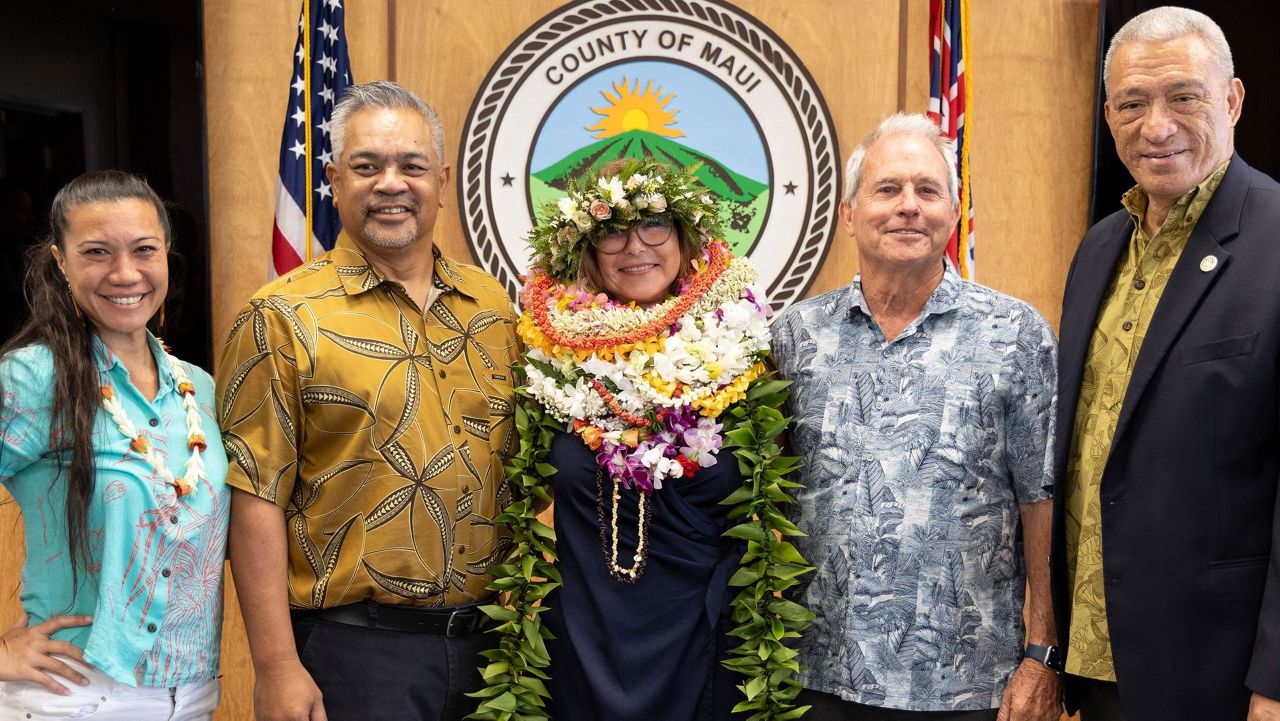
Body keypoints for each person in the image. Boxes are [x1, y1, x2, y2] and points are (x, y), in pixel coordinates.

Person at [217, 80, 522, 721]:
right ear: (332, 179)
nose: (391, 183)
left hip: (494, 654)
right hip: (353, 655)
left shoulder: (493, 307)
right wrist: (274, 667)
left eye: (411, 165)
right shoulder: (282, 316)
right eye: (367, 166)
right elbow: (253, 499)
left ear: (440, 180)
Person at [485, 157, 802, 721]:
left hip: (706, 644)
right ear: (586, 252)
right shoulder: (544, 357)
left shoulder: (748, 355)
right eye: (611, 233)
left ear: (684, 239)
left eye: (654, 226)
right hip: (582, 639)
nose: (636, 248)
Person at [771, 113, 1061, 721]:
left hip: (972, 684)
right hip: (816, 677)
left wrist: (1043, 654)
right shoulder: (794, 338)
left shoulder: (1015, 334)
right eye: (887, 190)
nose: (909, 206)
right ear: (849, 213)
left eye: (928, 191)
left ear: (954, 213)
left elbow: (1043, 502)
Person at [1049, 8, 1280, 721]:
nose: (1156, 125)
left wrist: (1275, 685)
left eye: (1184, 96)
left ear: (1233, 100)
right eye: (1131, 103)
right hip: (1097, 664)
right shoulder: (1099, 247)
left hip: (1217, 676)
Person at [0, 170, 229, 719]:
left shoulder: (199, 388)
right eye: (97, 252)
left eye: (144, 249)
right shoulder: (33, 378)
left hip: (193, 695)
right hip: (77, 696)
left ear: (167, 253)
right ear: (61, 261)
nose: (125, 273)